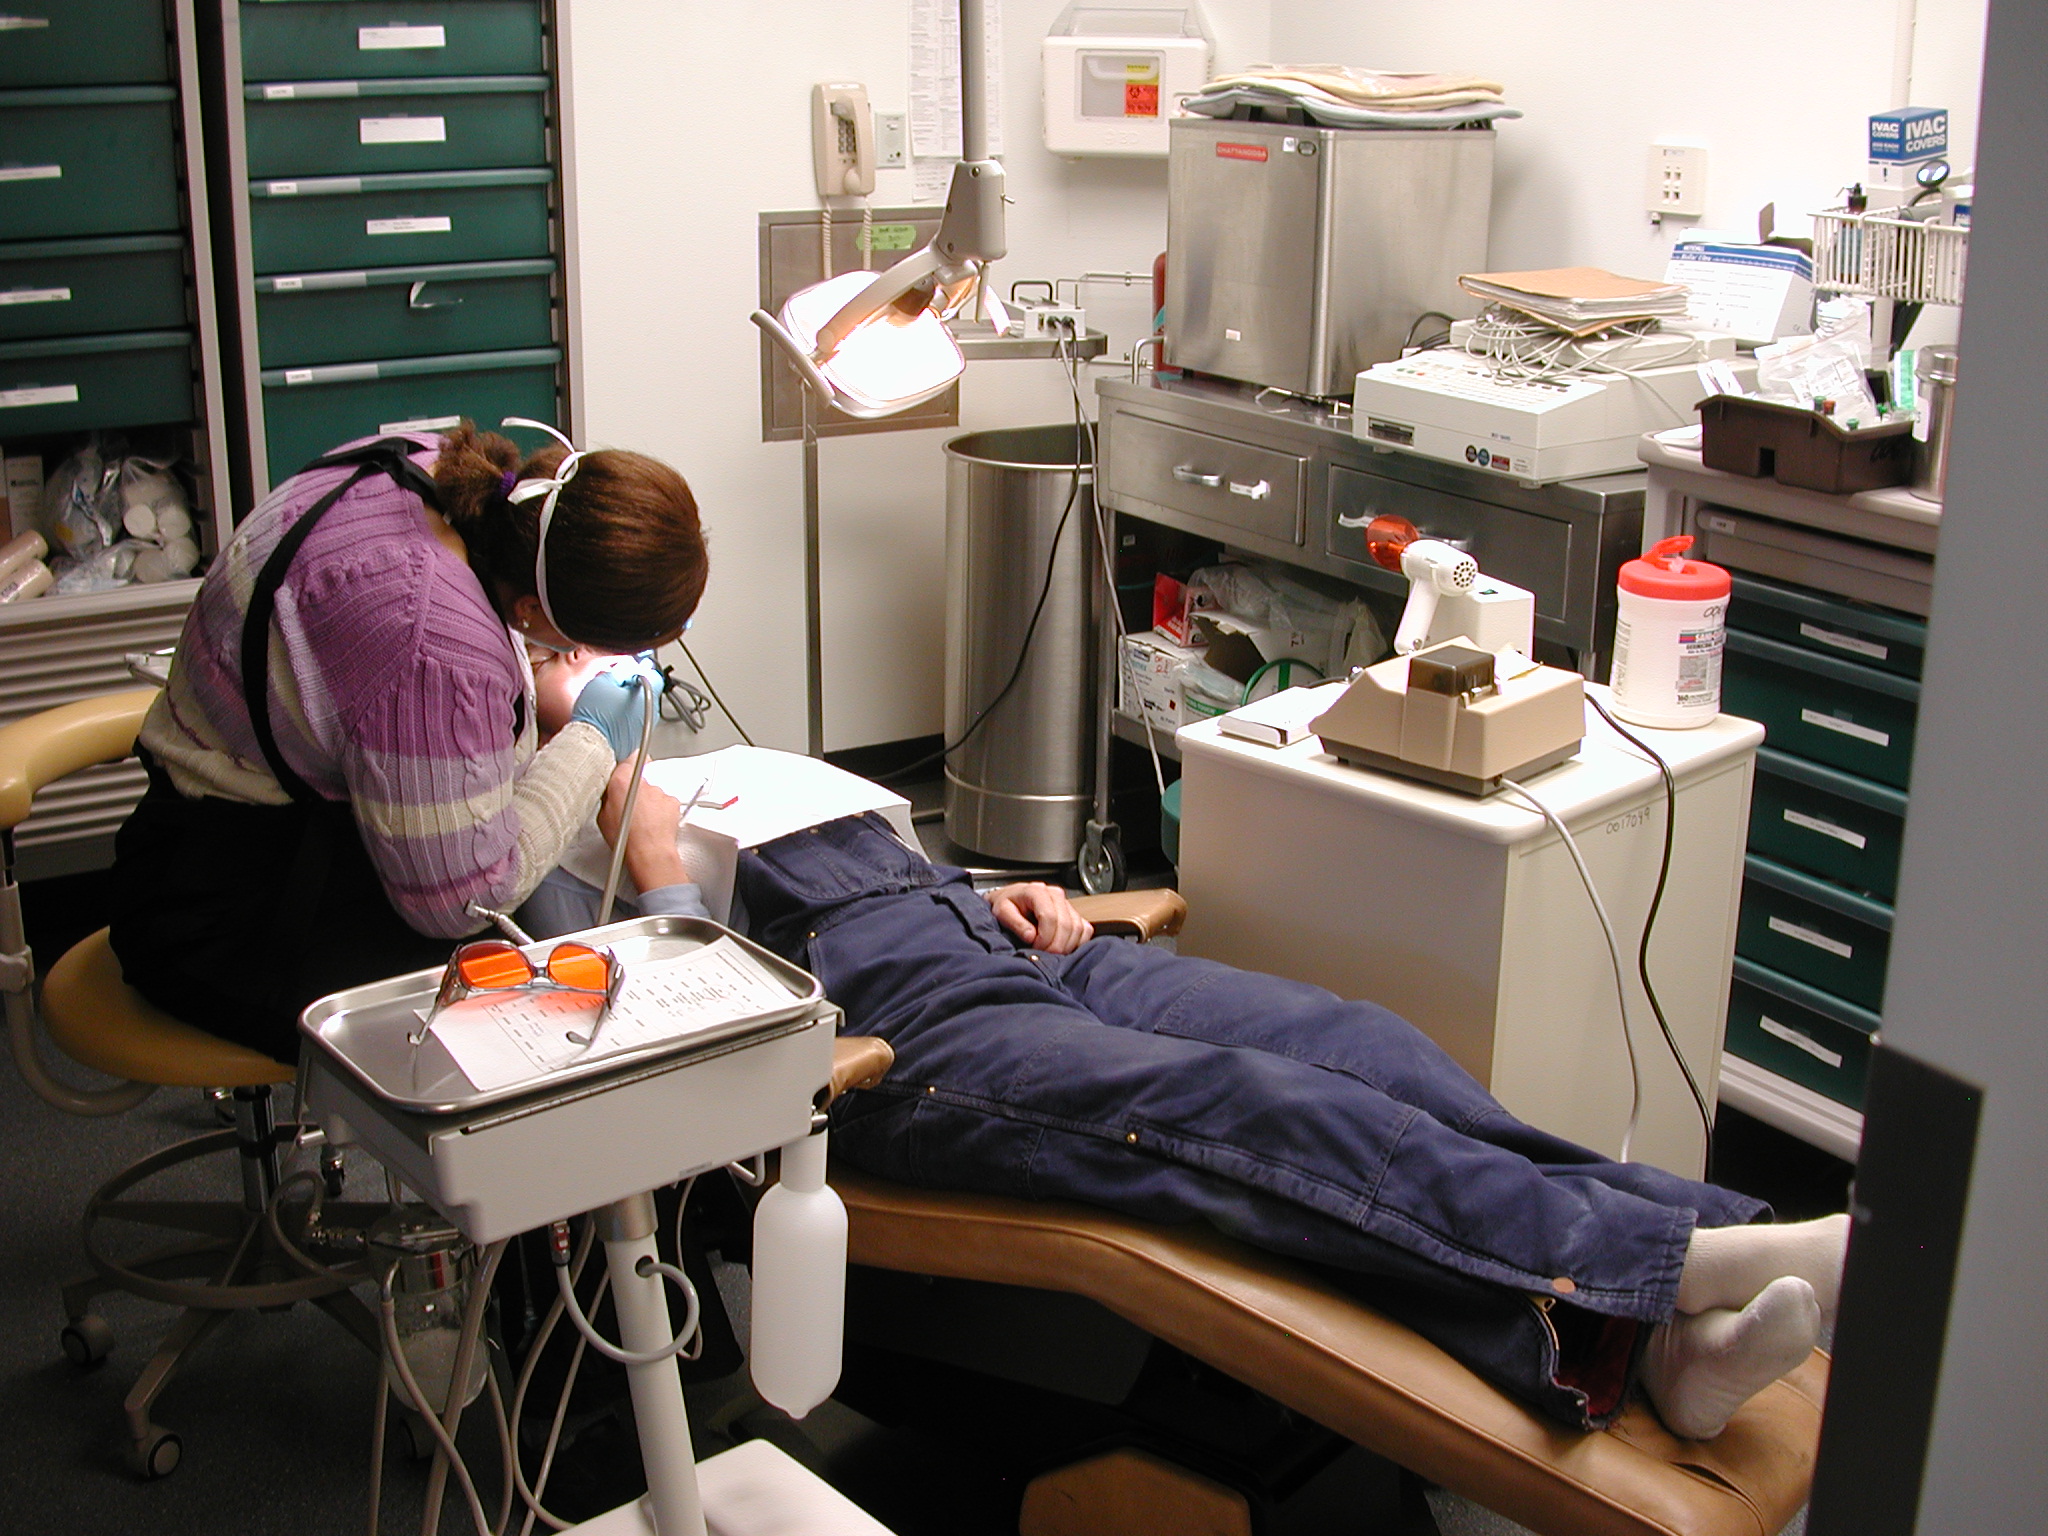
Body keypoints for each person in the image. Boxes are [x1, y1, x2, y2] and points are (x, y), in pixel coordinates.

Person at [517, 649, 1847, 1443]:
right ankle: (1680, 1268)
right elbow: (652, 1041)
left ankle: (1648, 1326)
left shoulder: (704, 761)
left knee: (1355, 1043)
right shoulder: (544, 846)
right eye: (560, 665)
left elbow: (878, 859)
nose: (604, 672)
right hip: (884, 1036)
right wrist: (656, 885)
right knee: (1243, 1109)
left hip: (1008, 938)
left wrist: (985, 884)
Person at [108, 420, 706, 1064]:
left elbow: (378, 678)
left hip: (244, 808)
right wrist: (590, 739)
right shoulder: (432, 644)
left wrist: (533, 689)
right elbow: (467, 901)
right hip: (229, 906)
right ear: (533, 612)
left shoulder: (447, 472)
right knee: (550, 1025)